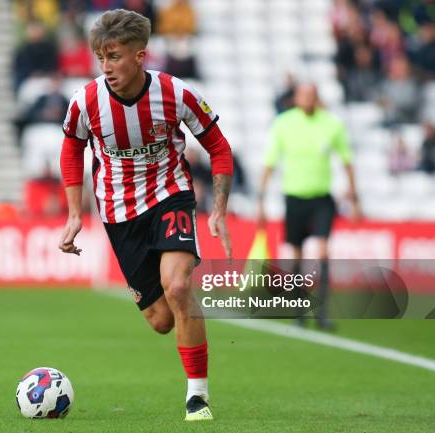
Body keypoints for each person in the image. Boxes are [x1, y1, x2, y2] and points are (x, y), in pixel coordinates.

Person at [58, 9, 233, 421]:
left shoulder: (176, 93)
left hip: (170, 195)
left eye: (114, 56)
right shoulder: (86, 101)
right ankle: (188, 313)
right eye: (101, 57)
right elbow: (71, 149)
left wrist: (220, 210)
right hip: (119, 211)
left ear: (140, 56)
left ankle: (197, 397)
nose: (106, 67)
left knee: (177, 287)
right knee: (160, 320)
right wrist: (72, 213)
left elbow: (219, 147)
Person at [257, 84, 361, 330]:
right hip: (294, 197)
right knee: (295, 255)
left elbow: (347, 161)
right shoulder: (283, 124)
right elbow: (269, 162)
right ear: (296, 98)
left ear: (317, 98)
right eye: (304, 96)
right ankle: (300, 311)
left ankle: (322, 313)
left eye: (312, 95)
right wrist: (260, 200)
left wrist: (354, 199)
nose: (308, 100)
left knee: (323, 252)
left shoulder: (331, 124)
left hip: (322, 198)